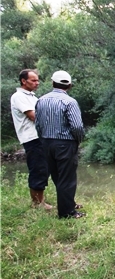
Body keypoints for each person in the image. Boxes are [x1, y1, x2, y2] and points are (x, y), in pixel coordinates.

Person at [35, 70, 86, 219]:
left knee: (57, 176)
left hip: (46, 142)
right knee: (67, 177)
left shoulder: (41, 100)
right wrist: (78, 140)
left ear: (52, 83)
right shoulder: (69, 102)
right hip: (65, 143)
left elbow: (37, 124)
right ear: (69, 85)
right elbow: (77, 127)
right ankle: (67, 213)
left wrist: (43, 138)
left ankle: (68, 204)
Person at [10, 69, 52, 210]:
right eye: (33, 80)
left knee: (44, 169)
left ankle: (40, 201)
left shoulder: (32, 97)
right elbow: (34, 116)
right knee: (38, 169)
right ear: (23, 81)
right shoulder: (19, 96)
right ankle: (37, 204)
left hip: (40, 137)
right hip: (31, 138)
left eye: (37, 80)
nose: (37, 83)